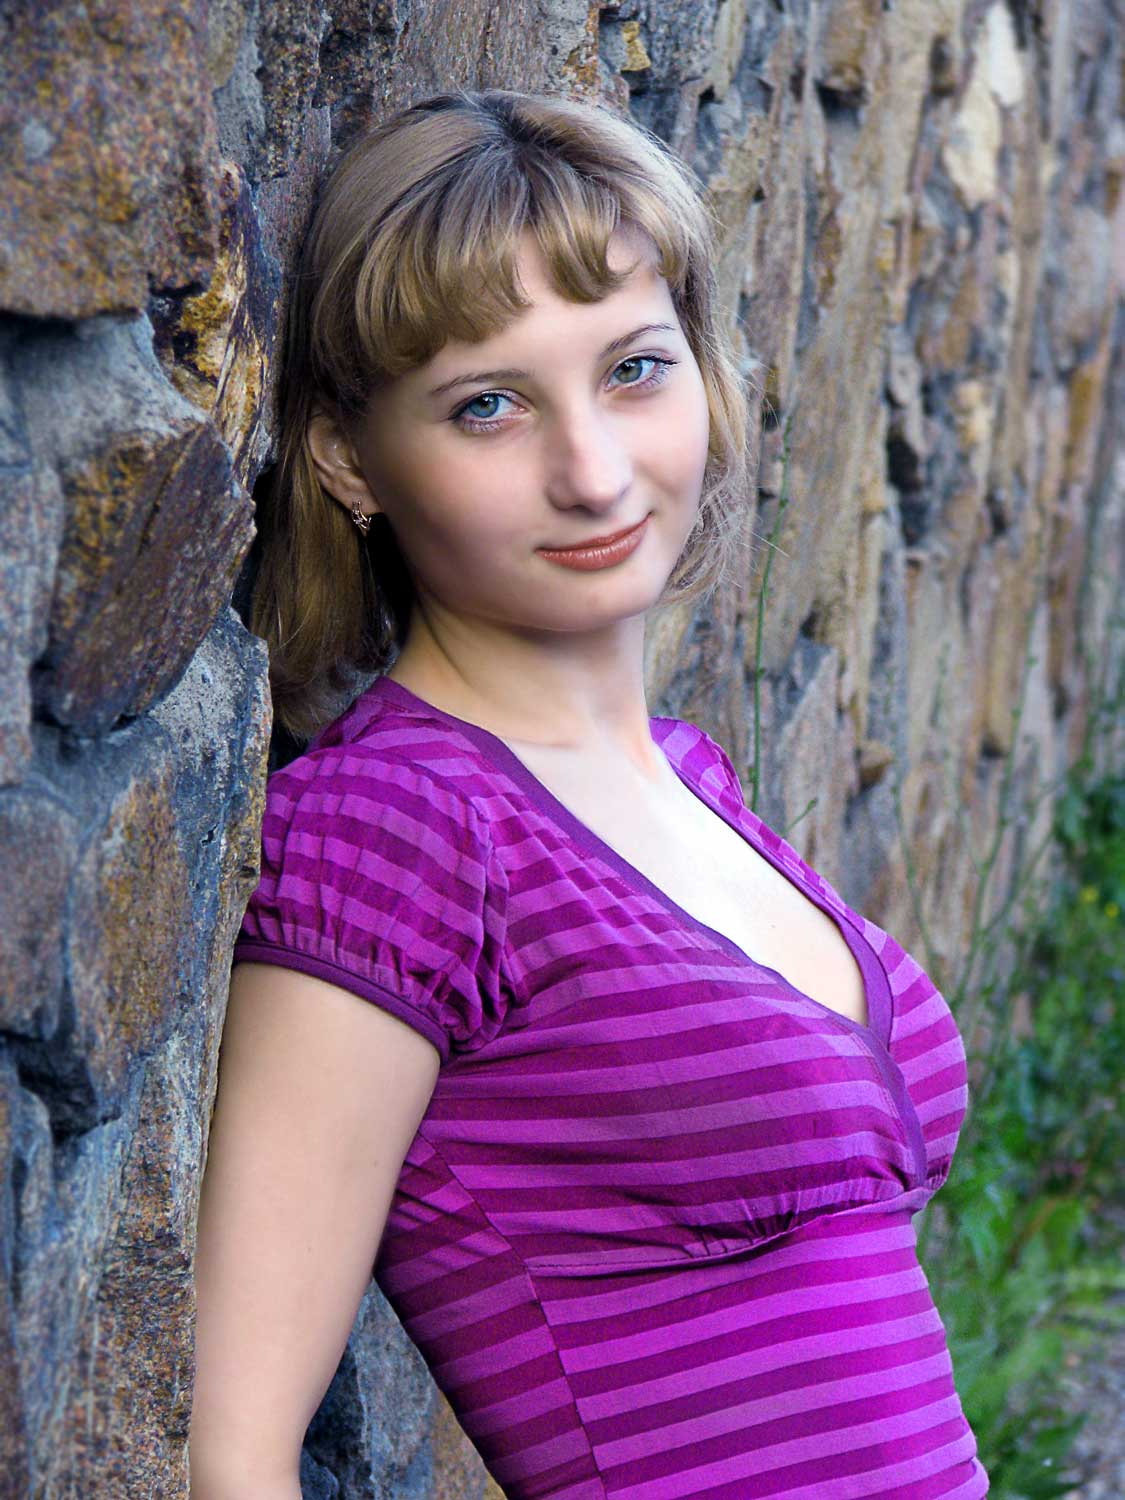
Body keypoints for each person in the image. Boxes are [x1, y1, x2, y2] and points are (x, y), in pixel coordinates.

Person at [189, 89, 990, 1500]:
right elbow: (229, 1449)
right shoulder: (398, 832)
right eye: (488, 406)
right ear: (347, 459)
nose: (594, 472)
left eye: (633, 369)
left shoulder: (686, 780)